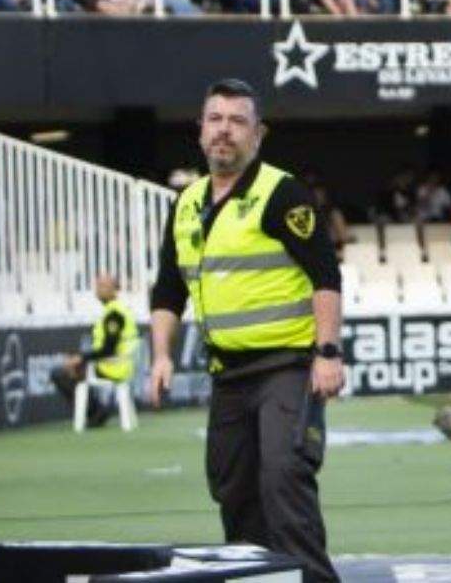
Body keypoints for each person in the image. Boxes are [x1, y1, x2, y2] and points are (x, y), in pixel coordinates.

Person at [148, 80, 343, 583]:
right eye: (215, 119)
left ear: (258, 134)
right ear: (200, 131)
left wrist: (328, 352)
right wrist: (161, 357)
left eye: (237, 121)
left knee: (283, 480)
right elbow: (169, 290)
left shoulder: (281, 192)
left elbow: (325, 274)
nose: (224, 131)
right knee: (233, 491)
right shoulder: (186, 203)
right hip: (228, 377)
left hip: (287, 367)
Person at [49, 274, 138, 428]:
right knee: (73, 367)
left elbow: (109, 349)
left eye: (103, 287)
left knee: (61, 373)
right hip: (118, 364)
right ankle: (96, 410)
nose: (98, 291)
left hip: (113, 367)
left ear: (115, 290)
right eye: (97, 286)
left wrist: (82, 359)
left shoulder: (114, 314)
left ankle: (95, 412)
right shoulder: (117, 310)